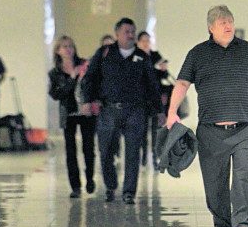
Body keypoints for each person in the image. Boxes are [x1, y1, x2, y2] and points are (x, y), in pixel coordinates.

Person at [166, 5, 248, 227]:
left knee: (244, 176)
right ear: (211, 28)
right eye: (222, 22)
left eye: (230, 21)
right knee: (215, 180)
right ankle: (221, 224)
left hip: (244, 127)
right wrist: (172, 112)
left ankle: (242, 222)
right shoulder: (198, 53)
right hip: (211, 130)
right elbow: (181, 84)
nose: (228, 25)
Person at [80, 18, 161, 205]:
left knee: (133, 152)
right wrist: (87, 101)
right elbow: (90, 78)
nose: (131, 35)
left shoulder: (142, 57)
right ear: (117, 34)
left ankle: (129, 192)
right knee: (106, 150)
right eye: (127, 31)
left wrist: (159, 110)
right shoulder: (105, 54)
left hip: (135, 111)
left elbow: (152, 85)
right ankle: (110, 185)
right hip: (109, 109)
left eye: (133, 31)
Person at [48, 35, 97, 199]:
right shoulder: (55, 73)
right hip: (68, 114)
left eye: (70, 46)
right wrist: (71, 78)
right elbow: (56, 94)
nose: (68, 49)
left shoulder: (84, 64)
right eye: (64, 47)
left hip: (85, 112)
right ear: (58, 51)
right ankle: (75, 186)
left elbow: (92, 84)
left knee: (88, 148)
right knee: (70, 151)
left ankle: (90, 178)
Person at [136, 31, 169, 169]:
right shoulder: (136, 56)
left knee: (156, 130)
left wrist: (163, 69)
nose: (146, 43)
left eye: (148, 41)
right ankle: (143, 157)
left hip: (155, 98)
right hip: (141, 98)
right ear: (138, 42)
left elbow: (164, 75)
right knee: (142, 130)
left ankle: (155, 158)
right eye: (143, 41)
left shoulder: (155, 56)